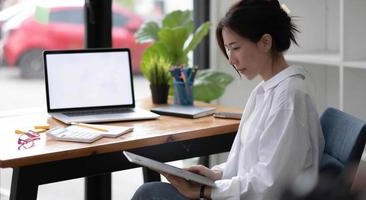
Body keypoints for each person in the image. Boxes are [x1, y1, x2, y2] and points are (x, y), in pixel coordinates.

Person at [132, 0, 325, 199]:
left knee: (149, 193)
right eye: (228, 49)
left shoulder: (289, 98)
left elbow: (269, 185)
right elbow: (250, 164)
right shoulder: (266, 91)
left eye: (235, 48)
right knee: (150, 192)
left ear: (265, 42)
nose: (231, 60)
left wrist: (202, 190)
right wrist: (216, 174)